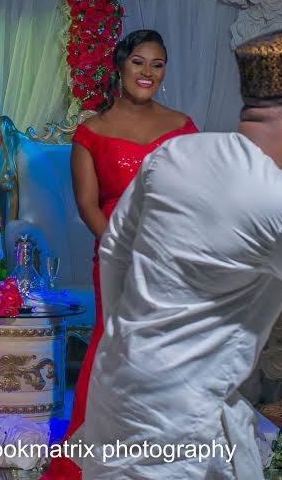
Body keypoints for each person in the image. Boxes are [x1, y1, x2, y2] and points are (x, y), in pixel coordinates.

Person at [81, 30, 282, 479]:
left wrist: (129, 341)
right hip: (179, 421)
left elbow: (116, 249)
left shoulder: (174, 153)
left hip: (117, 388)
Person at [42, 29, 198, 479]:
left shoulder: (183, 127)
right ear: (120, 66)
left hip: (172, 257)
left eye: (157, 64)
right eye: (139, 62)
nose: (148, 72)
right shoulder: (91, 133)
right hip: (116, 256)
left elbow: (196, 195)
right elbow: (87, 205)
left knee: (168, 349)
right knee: (114, 345)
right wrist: (122, 250)